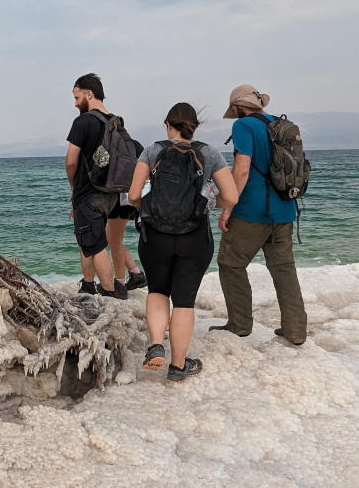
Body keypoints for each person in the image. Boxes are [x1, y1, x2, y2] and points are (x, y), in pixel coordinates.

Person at [129, 102, 237, 382]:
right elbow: (231, 197)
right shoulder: (208, 153)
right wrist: (205, 204)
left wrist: (157, 207)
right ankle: (178, 366)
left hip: (155, 237)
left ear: (168, 125)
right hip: (195, 238)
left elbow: (133, 196)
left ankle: (156, 344)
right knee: (184, 301)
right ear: (194, 128)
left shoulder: (153, 151)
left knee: (157, 290)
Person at [209, 84, 308, 344]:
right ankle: (296, 331)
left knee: (230, 263)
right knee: (284, 270)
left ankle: (239, 325)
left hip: (251, 211)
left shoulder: (243, 125)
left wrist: (227, 207)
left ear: (236, 107)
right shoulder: (281, 125)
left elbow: (241, 170)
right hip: (285, 209)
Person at [65, 73, 124, 298]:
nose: (75, 103)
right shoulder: (117, 121)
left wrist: (74, 188)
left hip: (88, 193)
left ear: (89, 94)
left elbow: (71, 161)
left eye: (77, 97)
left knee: (97, 244)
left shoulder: (83, 121)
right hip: (111, 191)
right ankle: (89, 285)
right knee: (87, 237)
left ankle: (109, 292)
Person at [106, 136, 148, 293]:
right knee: (110, 239)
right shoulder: (134, 145)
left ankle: (120, 284)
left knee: (115, 242)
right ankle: (136, 274)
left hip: (118, 198)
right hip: (130, 196)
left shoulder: (112, 147)